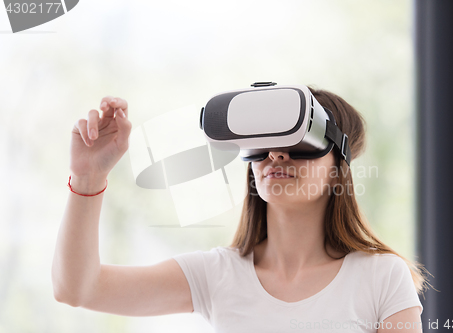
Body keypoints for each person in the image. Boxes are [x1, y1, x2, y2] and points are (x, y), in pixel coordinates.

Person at [52, 87, 430, 333]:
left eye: (299, 141)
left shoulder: (381, 277)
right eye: (263, 142)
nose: (276, 155)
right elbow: (77, 289)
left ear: (339, 161)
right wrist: (87, 178)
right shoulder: (216, 274)